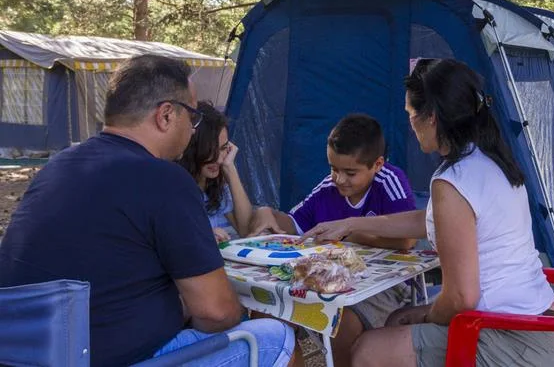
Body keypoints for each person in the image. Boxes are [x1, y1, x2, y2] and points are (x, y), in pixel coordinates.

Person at [0, 55, 295, 367]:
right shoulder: (164, 178)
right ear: (166, 115)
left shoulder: (58, 166)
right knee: (276, 337)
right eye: (192, 118)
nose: (194, 130)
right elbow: (216, 312)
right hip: (99, 359)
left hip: (25, 354)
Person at [300, 59, 554, 367]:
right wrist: (349, 223)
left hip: (512, 340)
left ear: (431, 118)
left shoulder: (453, 181)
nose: (410, 123)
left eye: (411, 114)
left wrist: (423, 313)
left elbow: (461, 298)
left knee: (367, 350)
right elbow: (431, 220)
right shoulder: (489, 161)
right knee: (394, 324)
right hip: (543, 327)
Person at [249, 113, 417, 367]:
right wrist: (267, 213)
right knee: (267, 312)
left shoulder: (390, 182)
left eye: (350, 172)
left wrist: (352, 233)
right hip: (331, 280)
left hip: (386, 285)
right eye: (333, 168)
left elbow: (407, 242)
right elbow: (295, 225)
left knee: (341, 325)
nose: (339, 179)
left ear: (378, 164)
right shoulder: (329, 188)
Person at [179, 101, 255, 242]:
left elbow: (247, 231)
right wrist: (203, 235)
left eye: (223, 148)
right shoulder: (177, 188)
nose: (219, 159)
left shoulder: (216, 188)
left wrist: (230, 168)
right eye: (210, 151)